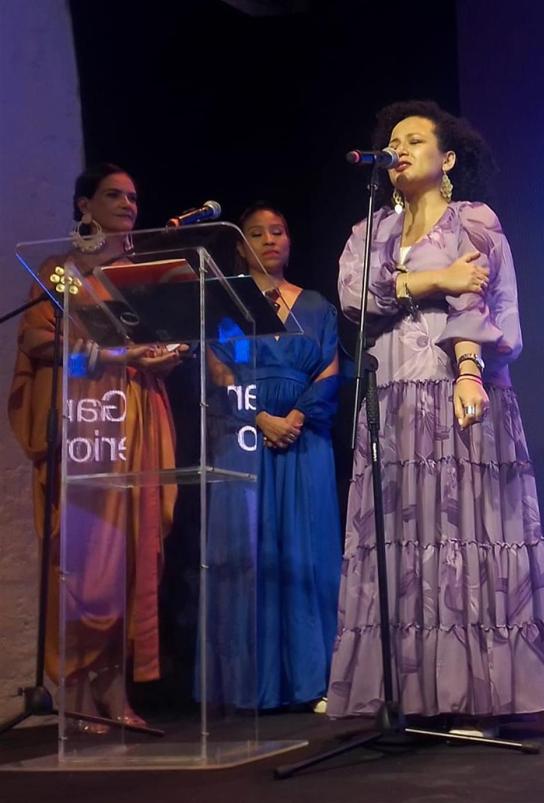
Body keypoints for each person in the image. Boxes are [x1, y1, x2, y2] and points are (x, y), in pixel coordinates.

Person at [327, 100, 544, 733]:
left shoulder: (474, 220)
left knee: (465, 537)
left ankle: (477, 696)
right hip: (390, 402)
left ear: (448, 159)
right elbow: (354, 296)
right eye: (394, 141)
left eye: (415, 140)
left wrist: (467, 368)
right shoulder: (370, 232)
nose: (401, 149)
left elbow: (478, 299)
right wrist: (433, 280)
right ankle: (411, 698)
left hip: (458, 390)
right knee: (404, 546)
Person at [7, 164, 182, 732]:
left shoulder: (141, 275)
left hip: (135, 417)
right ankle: (78, 688)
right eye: (113, 195)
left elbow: (159, 341)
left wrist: (162, 355)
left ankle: (114, 689)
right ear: (84, 205)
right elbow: (37, 338)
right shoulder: (62, 273)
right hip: (84, 423)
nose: (128, 204)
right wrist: (109, 355)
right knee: (84, 559)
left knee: (133, 552)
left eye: (133, 196)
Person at [204, 203, 341, 710]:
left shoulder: (318, 306)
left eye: (277, 231)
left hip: (306, 441)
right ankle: (250, 685)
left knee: (308, 555)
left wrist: (297, 418)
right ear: (240, 247)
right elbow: (219, 373)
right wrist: (260, 418)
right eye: (256, 234)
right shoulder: (226, 305)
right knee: (250, 555)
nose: (269, 240)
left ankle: (313, 680)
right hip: (245, 438)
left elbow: (330, 371)